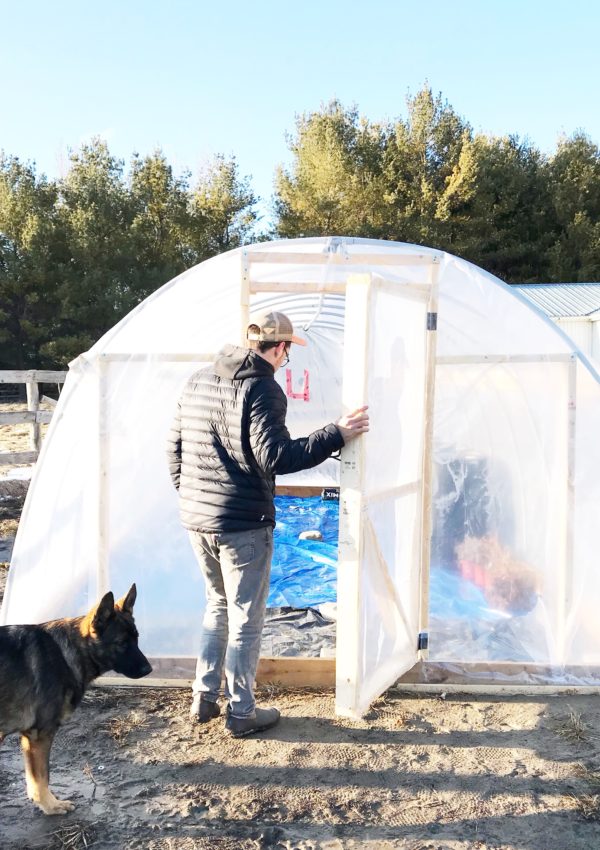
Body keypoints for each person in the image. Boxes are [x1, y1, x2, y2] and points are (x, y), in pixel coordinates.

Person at [167, 310, 369, 737]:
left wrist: (194, 498)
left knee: (216, 605)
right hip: (242, 524)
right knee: (245, 616)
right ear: (278, 348)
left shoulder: (199, 380)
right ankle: (241, 712)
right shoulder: (263, 389)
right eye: (288, 353)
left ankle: (203, 698)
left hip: (197, 519)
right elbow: (275, 457)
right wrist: (336, 433)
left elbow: (174, 449)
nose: (286, 361)